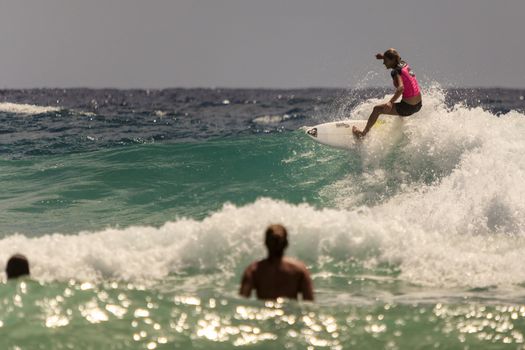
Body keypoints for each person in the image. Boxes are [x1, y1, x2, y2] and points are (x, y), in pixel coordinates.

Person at [353, 48, 422, 138]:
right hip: (418, 104)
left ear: (392, 60)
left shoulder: (395, 72)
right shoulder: (403, 64)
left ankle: (363, 134)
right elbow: (396, 58)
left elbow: (401, 88)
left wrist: (390, 102)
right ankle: (401, 130)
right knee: (401, 104)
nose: (383, 63)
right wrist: (383, 56)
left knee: (377, 109)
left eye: (385, 60)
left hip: (408, 107)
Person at [239, 224, 314, 301]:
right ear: (286, 244)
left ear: (265, 243)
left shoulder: (253, 270)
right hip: (289, 312)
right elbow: (309, 303)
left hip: (265, 312)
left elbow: (242, 301)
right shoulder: (299, 270)